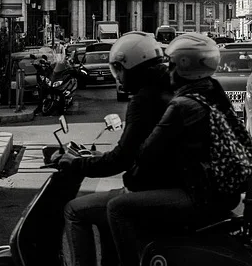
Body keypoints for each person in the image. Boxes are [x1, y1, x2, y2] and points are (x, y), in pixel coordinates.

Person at [104, 33, 244, 266]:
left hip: (199, 190)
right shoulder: (209, 90)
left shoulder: (165, 100)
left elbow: (142, 154)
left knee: (117, 208)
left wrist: (130, 174)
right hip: (221, 188)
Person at [59, 32, 173, 266]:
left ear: (133, 67)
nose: (118, 77)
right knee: (106, 211)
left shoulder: (144, 99)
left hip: (152, 188)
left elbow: (122, 158)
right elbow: (142, 150)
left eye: (119, 69)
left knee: (75, 210)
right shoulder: (165, 88)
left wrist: (77, 164)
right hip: (165, 182)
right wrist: (101, 157)